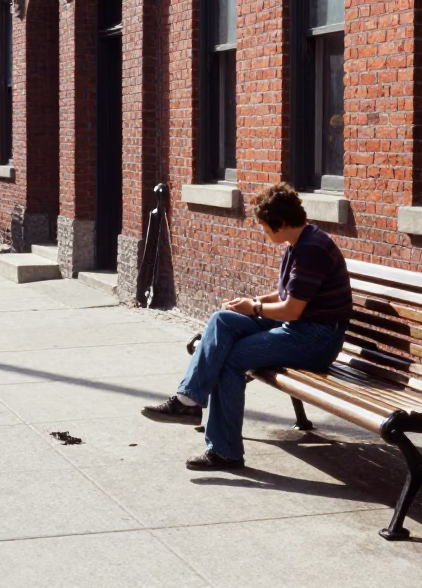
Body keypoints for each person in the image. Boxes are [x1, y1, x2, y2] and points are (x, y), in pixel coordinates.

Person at [142, 183, 352, 470]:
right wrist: (251, 301)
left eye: (265, 227)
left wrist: (253, 308)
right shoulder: (299, 242)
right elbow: (289, 295)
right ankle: (188, 400)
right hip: (303, 328)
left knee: (231, 358)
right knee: (222, 320)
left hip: (316, 339)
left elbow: (291, 309)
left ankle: (224, 451)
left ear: (280, 224)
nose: (264, 233)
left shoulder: (311, 251)